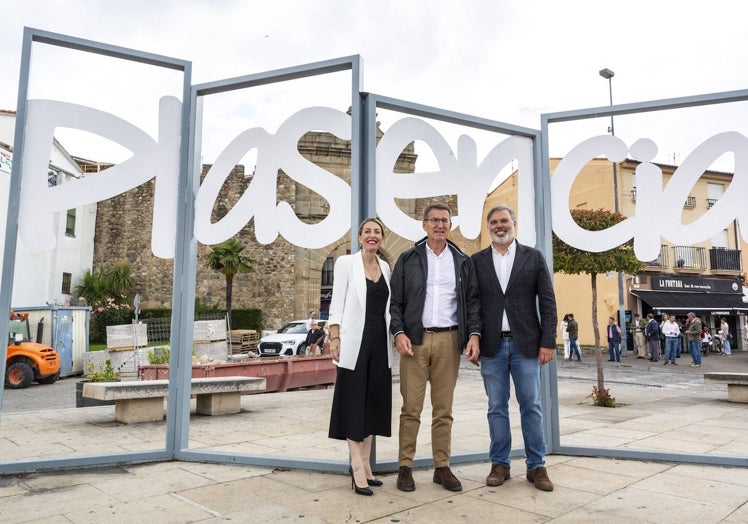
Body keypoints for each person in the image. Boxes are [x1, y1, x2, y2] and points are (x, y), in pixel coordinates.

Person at [389, 203, 481, 493]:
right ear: (424, 225)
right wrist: (399, 332)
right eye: (434, 220)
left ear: (449, 225)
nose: (439, 225)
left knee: (444, 410)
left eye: (444, 221)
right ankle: (405, 466)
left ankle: (442, 467)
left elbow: (473, 303)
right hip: (414, 342)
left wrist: (474, 334)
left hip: (450, 341)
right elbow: (395, 303)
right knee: (411, 408)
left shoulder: (463, 261)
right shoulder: (408, 258)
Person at [467, 205, 558, 492]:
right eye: (493, 222)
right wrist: (474, 336)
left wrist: (548, 341)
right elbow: (473, 304)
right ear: (488, 227)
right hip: (492, 346)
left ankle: (536, 466)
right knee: (496, 407)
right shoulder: (477, 261)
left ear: (514, 223)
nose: (499, 225)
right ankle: (500, 464)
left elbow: (547, 302)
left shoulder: (533, 257)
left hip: (527, 345)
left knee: (531, 405)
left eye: (504, 220)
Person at [327, 217, 392, 497]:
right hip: (354, 343)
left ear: (382, 238)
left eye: (377, 232)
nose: (372, 236)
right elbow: (337, 302)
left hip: (380, 343)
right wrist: (334, 336)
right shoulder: (346, 264)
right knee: (354, 403)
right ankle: (356, 468)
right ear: (360, 237)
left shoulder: (386, 267)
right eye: (367, 231)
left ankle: (366, 466)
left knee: (373, 404)